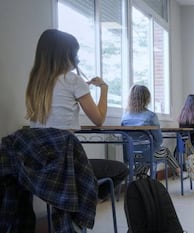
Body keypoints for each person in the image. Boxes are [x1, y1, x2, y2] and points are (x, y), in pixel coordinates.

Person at [25, 29, 128, 222]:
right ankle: (83, 203)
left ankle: (72, 203)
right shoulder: (73, 80)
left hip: (41, 171)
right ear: (68, 55)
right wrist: (104, 89)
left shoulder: (34, 84)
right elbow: (98, 120)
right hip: (67, 166)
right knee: (121, 169)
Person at [121, 84, 181, 175]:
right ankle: (179, 172)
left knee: (145, 158)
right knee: (165, 151)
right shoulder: (151, 116)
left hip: (130, 153)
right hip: (148, 153)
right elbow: (159, 140)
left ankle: (137, 176)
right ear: (147, 98)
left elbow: (124, 138)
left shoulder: (125, 117)